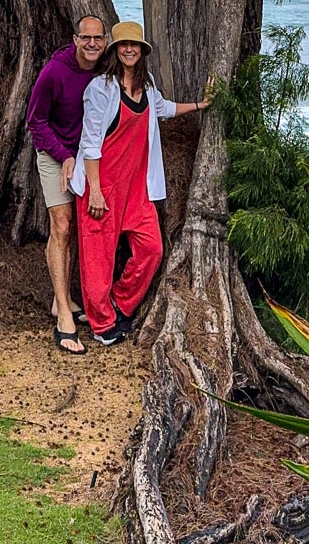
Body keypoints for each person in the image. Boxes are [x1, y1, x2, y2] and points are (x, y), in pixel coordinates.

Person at [71, 20, 211, 345]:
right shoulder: (100, 89)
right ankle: (102, 326)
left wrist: (200, 105)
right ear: (115, 51)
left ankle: (121, 304)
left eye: (135, 45)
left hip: (136, 188)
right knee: (98, 261)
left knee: (152, 249)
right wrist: (93, 190)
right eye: (123, 45)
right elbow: (90, 144)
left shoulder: (146, 86)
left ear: (142, 50)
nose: (130, 49)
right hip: (101, 187)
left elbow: (162, 109)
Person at [26, 13, 108, 355]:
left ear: (105, 43)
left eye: (98, 39)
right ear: (75, 40)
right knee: (60, 225)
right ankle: (63, 315)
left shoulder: (106, 70)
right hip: (55, 154)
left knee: (77, 227)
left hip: (88, 157)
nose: (91, 44)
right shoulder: (55, 72)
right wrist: (64, 156)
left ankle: (66, 300)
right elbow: (35, 121)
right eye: (85, 38)